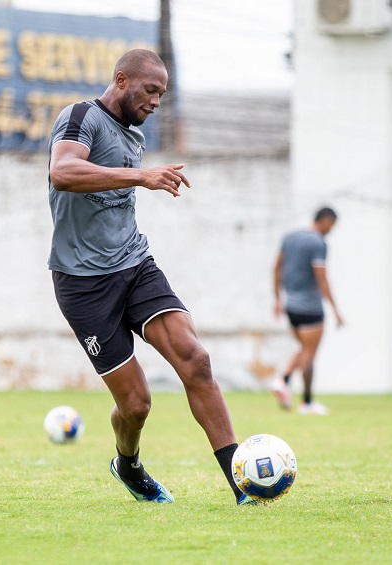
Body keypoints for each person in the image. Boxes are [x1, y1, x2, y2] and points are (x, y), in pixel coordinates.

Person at [47, 49, 252, 505]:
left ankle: (243, 486)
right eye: (151, 90)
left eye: (162, 94)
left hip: (134, 266)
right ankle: (128, 463)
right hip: (83, 285)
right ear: (121, 79)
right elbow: (61, 172)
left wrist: (141, 176)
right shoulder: (83, 116)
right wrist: (141, 176)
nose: (157, 101)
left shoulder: (133, 134)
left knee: (195, 359)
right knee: (136, 404)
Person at [272, 207, 344, 415]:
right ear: (326, 220)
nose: (331, 230)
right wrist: (336, 310)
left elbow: (276, 268)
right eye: (332, 225)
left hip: (291, 306)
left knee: (303, 349)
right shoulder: (318, 243)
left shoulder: (290, 237)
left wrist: (277, 299)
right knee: (309, 355)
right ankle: (305, 401)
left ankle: (282, 381)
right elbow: (322, 278)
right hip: (311, 307)